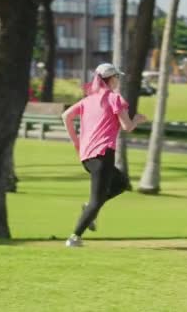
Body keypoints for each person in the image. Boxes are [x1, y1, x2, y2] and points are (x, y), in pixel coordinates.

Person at [62, 63, 147, 247]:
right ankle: (74, 238)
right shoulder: (115, 99)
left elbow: (66, 116)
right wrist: (137, 120)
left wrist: (76, 141)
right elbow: (127, 127)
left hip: (87, 157)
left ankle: (89, 209)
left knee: (121, 183)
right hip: (103, 155)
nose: (118, 80)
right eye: (117, 77)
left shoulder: (88, 100)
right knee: (97, 199)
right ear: (112, 78)